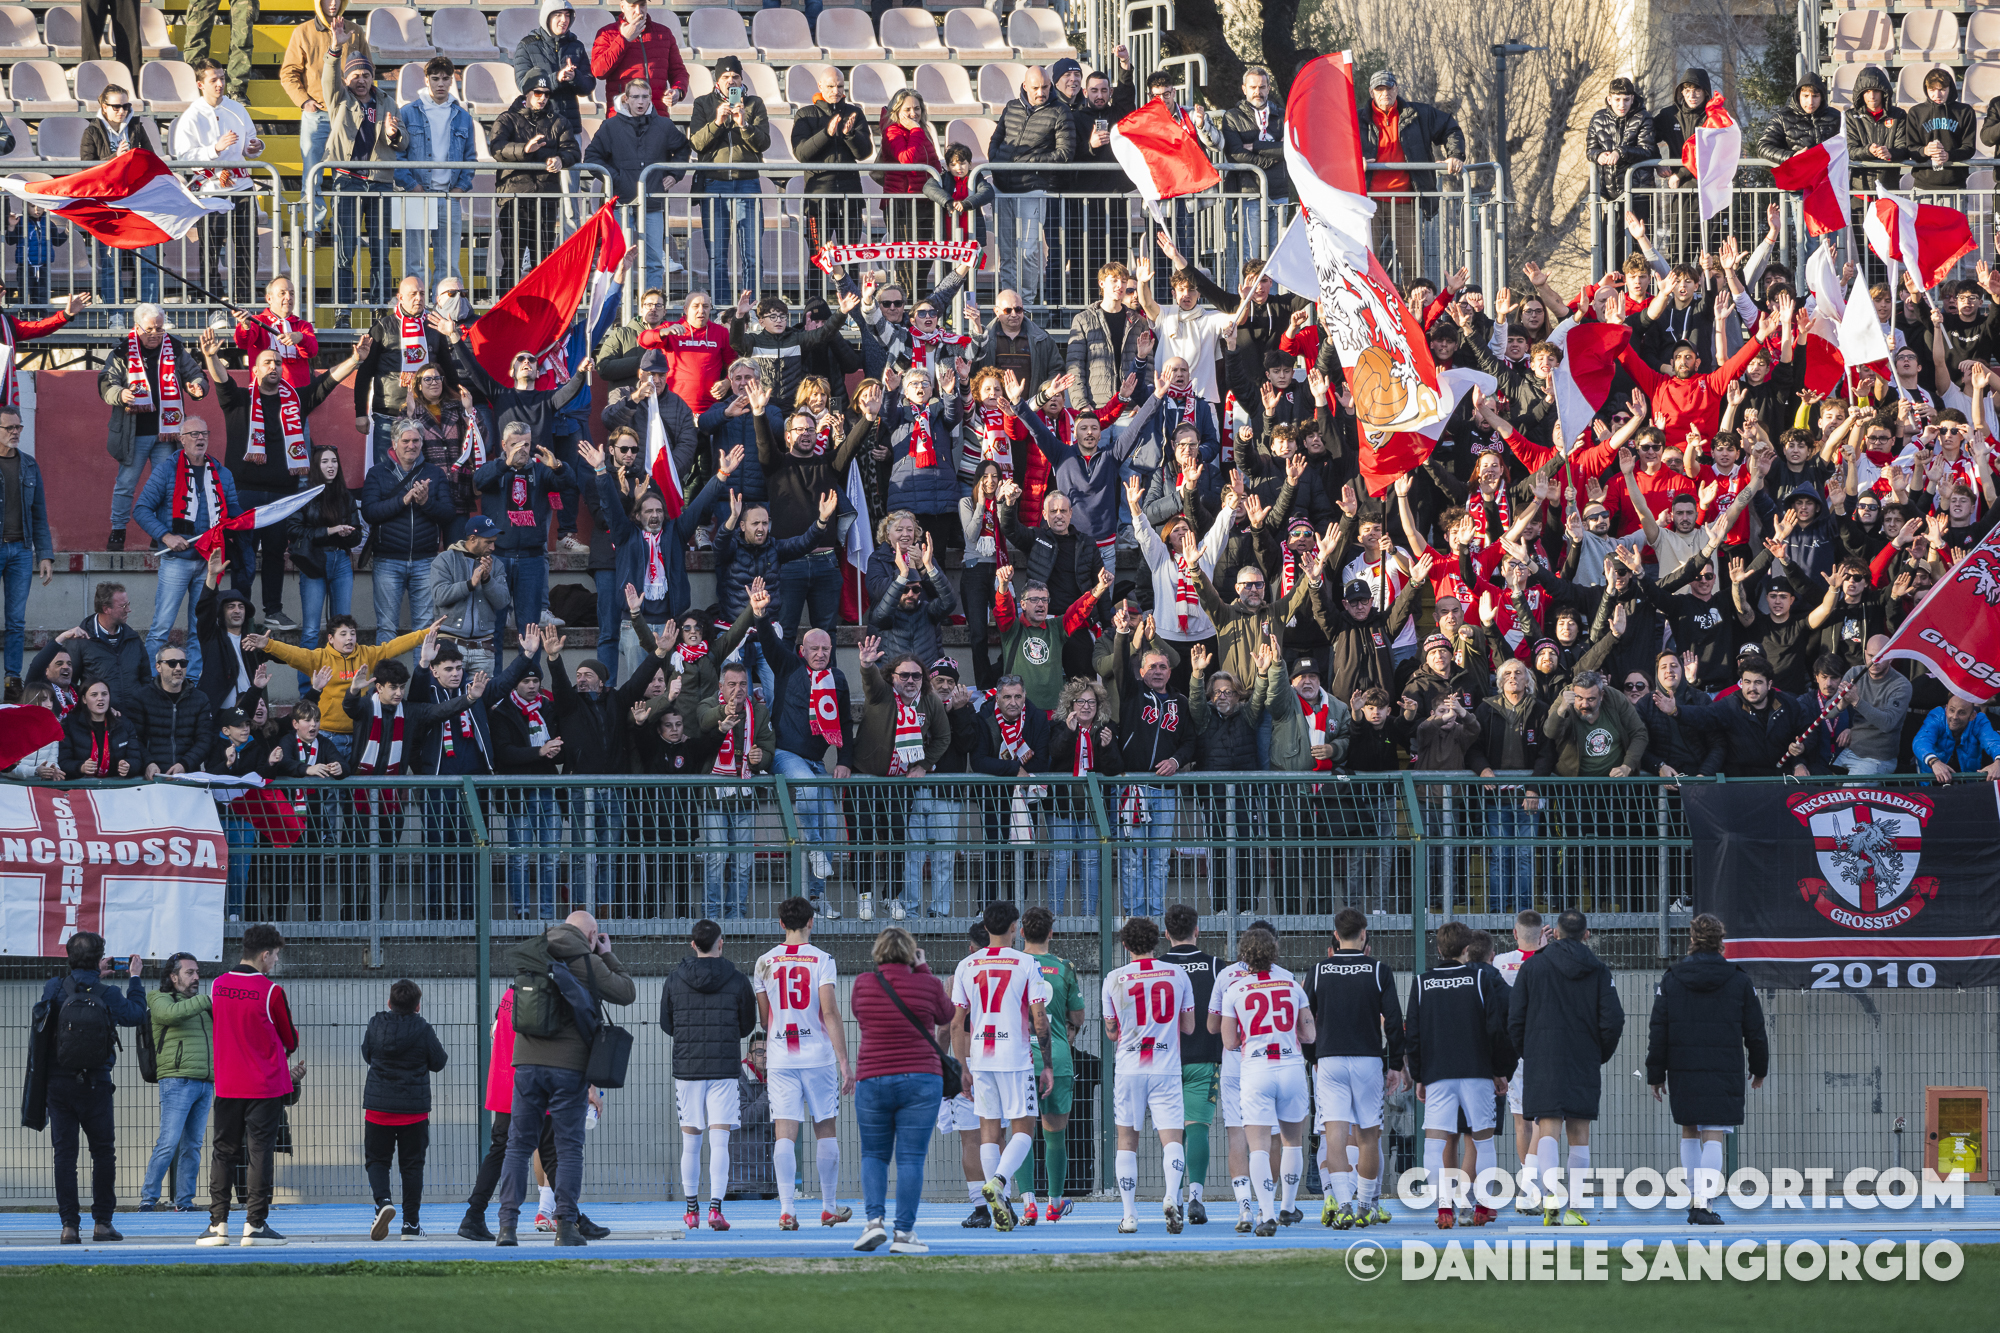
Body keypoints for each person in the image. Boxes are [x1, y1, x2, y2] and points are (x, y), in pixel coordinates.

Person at [197, 329, 370, 631]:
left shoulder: (295, 400)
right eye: (267, 362)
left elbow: (326, 383)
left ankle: (273, 611)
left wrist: (355, 360)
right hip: (245, 494)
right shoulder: (239, 400)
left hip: (283, 496)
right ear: (255, 370)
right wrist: (211, 357)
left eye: (277, 362)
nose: (273, 366)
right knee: (243, 556)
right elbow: (222, 381)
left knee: (276, 554)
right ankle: (240, 613)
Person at [494, 911, 635, 1247]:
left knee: (518, 1145)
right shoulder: (586, 961)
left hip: (526, 1063)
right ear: (592, 936)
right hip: (568, 1066)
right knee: (568, 1147)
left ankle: (507, 1227)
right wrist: (607, 955)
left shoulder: (533, 953)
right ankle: (566, 1227)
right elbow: (626, 992)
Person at [1645, 913, 1769, 1226]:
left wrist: (1656, 1074)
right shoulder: (1739, 980)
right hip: (1723, 1066)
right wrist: (1759, 1067)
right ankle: (1705, 1203)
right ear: (1721, 941)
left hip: (1682, 1065)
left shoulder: (1672, 978)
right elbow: (1755, 1030)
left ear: (1692, 939)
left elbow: (1658, 1029)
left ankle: (1694, 1201)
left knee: (1689, 1130)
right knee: (1714, 1134)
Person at [1506, 909, 1625, 1227]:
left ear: (1555, 933)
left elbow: (1515, 1017)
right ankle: (1574, 1208)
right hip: (1583, 1056)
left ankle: (1551, 1200)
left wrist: (1529, 1052)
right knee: (1579, 1133)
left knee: (1547, 1128)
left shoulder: (1533, 966)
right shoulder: (1598, 969)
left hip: (1542, 1057)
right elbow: (1613, 1019)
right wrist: (1599, 1053)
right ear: (1586, 935)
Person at [946, 901, 1053, 1232]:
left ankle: (999, 1204)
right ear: (1014, 928)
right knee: (1024, 1130)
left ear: (985, 927)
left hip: (980, 1056)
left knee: (988, 1133)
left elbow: (956, 1023)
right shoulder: (1026, 962)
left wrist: (962, 1066)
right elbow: (1039, 1019)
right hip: (1015, 1057)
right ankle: (999, 1182)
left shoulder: (966, 965)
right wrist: (1047, 1063)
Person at [35, 932, 146, 1244]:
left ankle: (69, 1226)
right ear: (99, 958)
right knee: (103, 1153)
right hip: (96, 1084)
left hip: (58, 1083)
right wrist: (134, 979)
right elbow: (136, 1014)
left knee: (64, 1155)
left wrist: (90, 977)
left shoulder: (54, 987)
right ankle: (103, 1224)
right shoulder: (108, 993)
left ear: (69, 957)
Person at [752, 896, 854, 1232]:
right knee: (825, 1128)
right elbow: (829, 1011)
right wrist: (844, 1061)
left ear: (781, 923)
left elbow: (764, 1019)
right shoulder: (823, 959)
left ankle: (786, 1210)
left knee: (784, 1132)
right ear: (811, 921)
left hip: (781, 1054)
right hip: (818, 1056)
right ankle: (828, 1208)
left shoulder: (764, 962)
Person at [850, 926, 953, 1255]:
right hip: (921, 1079)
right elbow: (947, 1014)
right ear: (911, 952)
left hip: (873, 1077)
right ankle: (904, 1233)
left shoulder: (863, 984)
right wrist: (922, 969)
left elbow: (860, 1015)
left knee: (873, 1154)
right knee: (911, 1159)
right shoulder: (928, 983)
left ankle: (873, 1222)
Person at [1405, 920, 1513, 1230]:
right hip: (1477, 1072)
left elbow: (1414, 1034)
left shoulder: (1422, 982)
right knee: (1483, 1141)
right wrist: (1500, 1071)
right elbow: (1495, 1029)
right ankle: (1482, 1207)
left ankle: (1444, 1209)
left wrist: (1419, 1075)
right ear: (1467, 949)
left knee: (1434, 1143)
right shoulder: (1480, 979)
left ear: (1438, 949)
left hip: (1438, 1073)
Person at [197, 923, 296, 1247]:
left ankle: (217, 1224)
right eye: (275, 955)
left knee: (223, 1152)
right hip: (263, 1086)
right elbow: (290, 1040)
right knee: (259, 1153)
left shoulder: (218, 986)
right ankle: (255, 1225)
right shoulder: (271, 991)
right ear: (265, 954)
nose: (276, 961)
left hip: (228, 1084)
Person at [1217, 927, 1317, 1237]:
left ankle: (1267, 1215)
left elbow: (1229, 1041)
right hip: (1290, 1066)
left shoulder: (1235, 989)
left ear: (1243, 955)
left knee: (1258, 1146)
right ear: (1274, 952)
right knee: (1292, 1141)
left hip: (1256, 1069)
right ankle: (1287, 1206)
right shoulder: (1291, 985)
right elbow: (1310, 1034)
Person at [1102, 915, 1198, 1235]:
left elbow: (1112, 1032)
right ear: (1157, 941)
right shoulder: (1177, 974)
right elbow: (1188, 1027)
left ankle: (1129, 1215)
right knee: (1172, 1138)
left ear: (1125, 945)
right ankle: (1171, 1196)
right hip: (1165, 1066)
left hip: (1129, 1067)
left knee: (1127, 1140)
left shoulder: (1113, 978)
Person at [662, 918, 758, 1229]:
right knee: (720, 1141)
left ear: (693, 944)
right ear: (721, 943)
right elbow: (747, 1025)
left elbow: (667, 1024)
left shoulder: (675, 979)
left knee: (690, 1141)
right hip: (724, 1068)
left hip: (688, 1068)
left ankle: (691, 1210)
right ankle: (716, 1209)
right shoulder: (738, 979)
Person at [104, 303, 209, 553]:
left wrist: (197, 387)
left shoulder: (175, 347)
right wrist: (120, 394)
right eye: (149, 329)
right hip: (134, 434)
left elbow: (196, 374)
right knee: (126, 484)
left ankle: (159, 532)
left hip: (167, 434)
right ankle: (118, 529)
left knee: (166, 486)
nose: (155, 334)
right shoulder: (122, 351)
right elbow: (106, 382)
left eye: (159, 329)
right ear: (136, 327)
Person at [459, 989, 560, 1241]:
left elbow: (495, 1031)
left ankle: (474, 1214)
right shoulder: (543, 996)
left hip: (505, 1085)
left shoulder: (510, 995)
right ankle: (571, 1216)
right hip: (533, 1085)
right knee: (550, 1151)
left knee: (500, 1150)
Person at [585, 79, 692, 297]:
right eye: (635, 97)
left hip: (652, 204)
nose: (640, 102)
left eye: (645, 97)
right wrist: (616, 178)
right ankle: (614, 305)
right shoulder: (610, 126)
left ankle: (652, 307)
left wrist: (673, 174)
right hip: (620, 203)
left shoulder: (663, 125)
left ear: (650, 98)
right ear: (626, 99)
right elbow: (592, 157)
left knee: (654, 261)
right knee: (616, 259)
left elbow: (683, 149)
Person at [1013, 905, 1085, 1223]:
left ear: (1021, 932)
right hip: (1055, 1057)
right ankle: (1054, 1203)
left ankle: (1028, 1203)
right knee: (1055, 1134)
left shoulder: (1014, 965)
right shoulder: (1064, 968)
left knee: (1021, 1132)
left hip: (1019, 1057)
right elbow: (1077, 1018)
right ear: (1051, 933)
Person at [361, 978, 448, 1240]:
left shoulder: (376, 1024)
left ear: (389, 1002)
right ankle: (411, 1225)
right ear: (417, 1006)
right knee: (412, 1166)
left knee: (377, 1160)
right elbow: (439, 1062)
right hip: (414, 1111)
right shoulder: (423, 1029)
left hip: (378, 1107)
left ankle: (383, 1202)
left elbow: (367, 1054)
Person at [1359, 69, 1465, 283]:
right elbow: (1335, 145)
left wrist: (1454, 155)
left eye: (1389, 88)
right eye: (1380, 89)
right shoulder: (1357, 119)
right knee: (1366, 264)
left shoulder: (1418, 114)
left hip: (1406, 201)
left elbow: (1450, 127)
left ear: (1397, 89)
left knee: (1413, 266)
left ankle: (1415, 305)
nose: (1385, 93)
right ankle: (1370, 305)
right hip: (1369, 204)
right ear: (1371, 92)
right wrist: (1353, 160)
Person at [1116, 647, 1198, 919]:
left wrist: (1176, 760)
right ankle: (1135, 918)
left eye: (1162, 666)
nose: (1158, 671)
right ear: (1141, 672)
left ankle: (1156, 916)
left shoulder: (1181, 702)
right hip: (1133, 789)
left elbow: (1190, 742)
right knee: (1131, 859)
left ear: (1170, 672)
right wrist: (1122, 635)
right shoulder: (1132, 693)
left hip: (1164, 792)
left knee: (1160, 859)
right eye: (1151, 667)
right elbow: (1119, 665)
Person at [172, 59, 263, 304]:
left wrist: (255, 147)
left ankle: (245, 300)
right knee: (211, 248)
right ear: (200, 84)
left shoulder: (237, 108)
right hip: (211, 187)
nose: (220, 84)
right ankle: (213, 301)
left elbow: (251, 142)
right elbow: (184, 157)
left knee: (248, 246)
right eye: (213, 80)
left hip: (241, 185)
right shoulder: (191, 116)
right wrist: (214, 148)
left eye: (222, 78)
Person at [280, 0, 369, 236]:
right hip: (317, 114)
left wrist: (363, 104)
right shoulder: (303, 32)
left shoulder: (355, 31)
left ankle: (341, 228)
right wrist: (304, 101)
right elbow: (288, 73)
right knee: (313, 175)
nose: (333, 3)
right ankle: (313, 228)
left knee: (347, 176)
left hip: (348, 115)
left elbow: (367, 68)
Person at [361, 422, 456, 643]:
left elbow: (448, 514)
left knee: (424, 629)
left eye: (415, 440)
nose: (411, 445)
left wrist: (425, 502)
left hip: (426, 561)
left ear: (422, 443)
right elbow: (369, 512)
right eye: (405, 441)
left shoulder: (435, 473)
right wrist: (402, 501)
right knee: (386, 628)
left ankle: (422, 668)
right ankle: (387, 669)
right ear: (394, 443)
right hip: (388, 560)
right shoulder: (377, 473)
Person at [988, 65, 1075, 304]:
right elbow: (996, 139)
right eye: (1035, 88)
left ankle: (1025, 305)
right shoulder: (1011, 107)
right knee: (1007, 253)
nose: (1041, 92)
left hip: (1031, 189)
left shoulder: (1060, 111)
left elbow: (1065, 153)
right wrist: (996, 161)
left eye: (1045, 87)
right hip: (1001, 188)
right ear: (1025, 86)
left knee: (1028, 253)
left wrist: (1030, 162)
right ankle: (1008, 304)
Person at [489, 73, 581, 288]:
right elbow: (497, 148)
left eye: (546, 94)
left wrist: (561, 159)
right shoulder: (507, 118)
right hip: (514, 199)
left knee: (543, 263)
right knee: (512, 262)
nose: (543, 98)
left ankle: (542, 307)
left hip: (545, 199)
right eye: (537, 93)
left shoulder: (559, 121)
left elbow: (573, 150)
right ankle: (508, 305)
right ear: (527, 93)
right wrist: (524, 149)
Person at [690, 57, 770, 303]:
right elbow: (696, 143)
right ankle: (722, 308)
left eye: (735, 76)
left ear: (742, 79)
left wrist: (744, 125)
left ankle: (751, 307)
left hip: (747, 182)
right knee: (717, 255)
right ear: (717, 80)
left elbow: (763, 143)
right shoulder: (703, 103)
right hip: (715, 183)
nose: (731, 81)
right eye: (725, 77)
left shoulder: (754, 103)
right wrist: (717, 123)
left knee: (751, 254)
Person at [137, 953, 212, 1215]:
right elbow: (170, 1015)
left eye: (197, 972)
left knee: (193, 1146)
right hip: (177, 1080)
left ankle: (185, 1201)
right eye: (190, 972)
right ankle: (148, 1199)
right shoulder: (160, 999)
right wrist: (207, 1001)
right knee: (168, 1143)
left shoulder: (202, 1007)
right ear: (174, 977)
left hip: (205, 1083)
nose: (196, 977)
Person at [358, 277, 459, 467]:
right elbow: (365, 372)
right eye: (413, 294)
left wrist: (458, 401)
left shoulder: (434, 326)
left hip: (426, 414)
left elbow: (448, 369)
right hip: (389, 413)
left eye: (422, 293)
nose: (418, 298)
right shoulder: (382, 327)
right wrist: (360, 413)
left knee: (425, 472)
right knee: (386, 472)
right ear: (400, 297)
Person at [395, 56, 476, 289]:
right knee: (415, 263)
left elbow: (470, 158)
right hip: (417, 195)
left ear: (452, 81)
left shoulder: (463, 116)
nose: (441, 83)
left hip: (448, 197)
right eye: (435, 78)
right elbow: (398, 155)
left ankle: (445, 309)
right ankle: (417, 308)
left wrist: (460, 189)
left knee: (449, 265)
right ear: (426, 80)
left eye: (446, 78)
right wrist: (412, 186)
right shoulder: (408, 112)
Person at [793, 68, 873, 297]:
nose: (836, 91)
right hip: (818, 199)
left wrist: (849, 135)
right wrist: (827, 133)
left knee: (851, 258)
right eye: (830, 86)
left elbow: (865, 152)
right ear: (820, 86)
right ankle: (816, 308)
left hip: (850, 196)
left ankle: (852, 306)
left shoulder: (854, 112)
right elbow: (802, 153)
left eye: (840, 86)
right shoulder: (805, 114)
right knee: (819, 258)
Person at [80, 85, 161, 308]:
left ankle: (150, 314)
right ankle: (115, 316)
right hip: (108, 205)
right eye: (116, 106)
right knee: (110, 264)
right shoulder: (92, 131)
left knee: (148, 263)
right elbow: (86, 168)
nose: (122, 111)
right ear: (104, 107)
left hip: (138, 203)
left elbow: (152, 159)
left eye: (125, 106)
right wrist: (114, 158)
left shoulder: (136, 127)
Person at [1218, 66, 1290, 275]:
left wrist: (1256, 146)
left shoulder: (1282, 115)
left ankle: (1273, 295)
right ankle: (1249, 294)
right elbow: (1235, 154)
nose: (1258, 92)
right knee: (1251, 255)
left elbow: (1290, 149)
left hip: (1279, 193)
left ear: (1269, 88)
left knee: (1276, 256)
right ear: (1244, 89)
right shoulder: (1232, 117)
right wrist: (1271, 155)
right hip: (1250, 193)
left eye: (1262, 87)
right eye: (1253, 87)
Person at [0, 404, 51, 684]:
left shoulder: (30, 465)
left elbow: (39, 513)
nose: (15, 432)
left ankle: (12, 680)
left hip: (20, 550)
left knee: (17, 621)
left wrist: (45, 554)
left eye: (18, 426)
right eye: (9, 427)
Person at [430, 514, 510, 677]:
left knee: (482, 694)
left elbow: (502, 601)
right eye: (488, 542)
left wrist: (487, 580)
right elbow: (440, 596)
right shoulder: (445, 559)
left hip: (483, 648)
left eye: (494, 542)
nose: (493, 547)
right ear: (473, 539)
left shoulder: (497, 564)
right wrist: (469, 584)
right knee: (448, 693)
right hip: (450, 646)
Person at [589, 0, 689, 117]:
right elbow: (599, 71)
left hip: (656, 115)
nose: (638, 11)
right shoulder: (607, 33)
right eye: (633, 6)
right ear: (622, 6)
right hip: (622, 116)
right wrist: (623, 39)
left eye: (642, 5)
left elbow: (678, 71)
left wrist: (678, 90)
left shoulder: (664, 33)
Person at [1913, 694, 2000, 783]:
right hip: (1932, 780)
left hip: (1967, 782)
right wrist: (1934, 762)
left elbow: (1993, 742)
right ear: (1946, 709)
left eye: (1962, 713)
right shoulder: (1937, 715)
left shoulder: (1979, 720)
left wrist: (1998, 762)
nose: (1954, 717)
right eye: (1951, 710)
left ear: (1972, 716)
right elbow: (1921, 741)